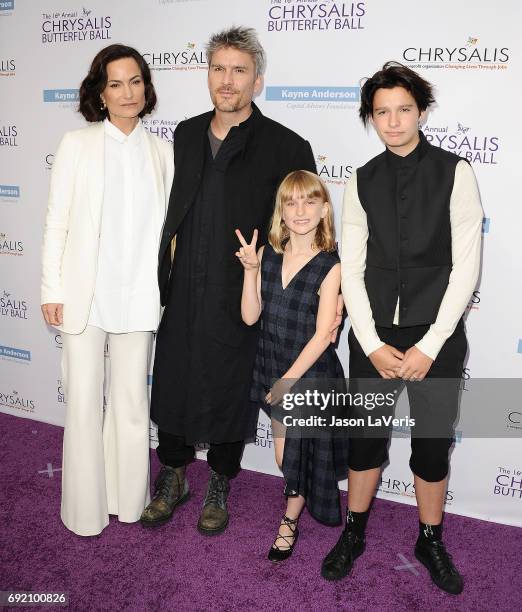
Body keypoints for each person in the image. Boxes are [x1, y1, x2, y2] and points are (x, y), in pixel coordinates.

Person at [141, 26, 341, 535]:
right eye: (218, 69)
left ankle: (220, 481)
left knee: (231, 386)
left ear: (258, 81)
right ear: (207, 75)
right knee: (175, 377)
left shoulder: (286, 144)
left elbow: (306, 223)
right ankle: (173, 473)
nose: (227, 81)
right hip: (184, 285)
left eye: (239, 71)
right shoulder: (184, 134)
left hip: (246, 291)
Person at [321, 62, 483, 594]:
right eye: (381, 112)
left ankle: (429, 538)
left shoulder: (455, 172)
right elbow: (356, 267)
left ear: (421, 110)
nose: (393, 122)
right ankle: (355, 529)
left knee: (432, 445)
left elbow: (466, 267)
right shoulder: (360, 180)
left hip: (437, 337)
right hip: (374, 336)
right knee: (365, 442)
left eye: (403, 110)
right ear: (371, 116)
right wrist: (370, 343)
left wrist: (431, 345)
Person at [40, 44, 174, 536]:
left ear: (147, 87)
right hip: (83, 297)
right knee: (82, 402)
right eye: (115, 83)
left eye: (135, 81)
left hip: (139, 297)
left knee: (133, 408)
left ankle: (128, 502)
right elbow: (56, 222)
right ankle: (83, 512)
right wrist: (52, 287)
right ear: (100, 92)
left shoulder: (164, 153)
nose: (127, 92)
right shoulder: (76, 143)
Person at [236, 170, 349, 561]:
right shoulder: (267, 255)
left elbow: (322, 337)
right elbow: (251, 317)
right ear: (281, 212)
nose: (300, 210)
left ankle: (289, 521)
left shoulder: (331, 265)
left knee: (291, 457)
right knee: (285, 457)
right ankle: (292, 510)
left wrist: (287, 381)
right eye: (291, 202)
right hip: (271, 361)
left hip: (309, 372)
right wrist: (250, 271)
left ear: (322, 211)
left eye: (309, 201)